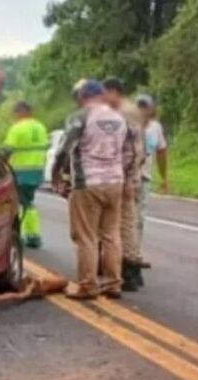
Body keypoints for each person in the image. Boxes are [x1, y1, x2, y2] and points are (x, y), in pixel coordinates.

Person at [55, 80, 129, 300]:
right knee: (112, 235)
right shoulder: (118, 118)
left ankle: (88, 285)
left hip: (88, 183)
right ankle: (114, 283)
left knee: (86, 236)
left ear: (82, 97)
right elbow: (125, 151)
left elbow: (64, 149)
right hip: (115, 181)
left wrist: (56, 174)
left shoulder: (80, 117)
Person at [103, 77, 146, 292]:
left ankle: (130, 271)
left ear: (114, 92)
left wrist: (127, 179)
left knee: (124, 225)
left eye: (105, 93)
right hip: (126, 175)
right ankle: (131, 270)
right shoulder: (126, 111)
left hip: (125, 177)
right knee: (125, 223)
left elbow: (133, 149)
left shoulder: (124, 112)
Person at [2, 101, 50, 248]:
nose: (14, 116)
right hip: (37, 172)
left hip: (20, 173)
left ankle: (25, 235)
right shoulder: (41, 127)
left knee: (21, 204)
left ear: (21, 112)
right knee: (28, 202)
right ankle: (32, 235)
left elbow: (7, 150)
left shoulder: (17, 128)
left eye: (15, 113)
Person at [136, 94, 169, 267]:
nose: (142, 110)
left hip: (144, 177)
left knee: (139, 218)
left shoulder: (155, 128)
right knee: (122, 218)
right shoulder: (126, 125)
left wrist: (164, 178)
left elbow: (162, 152)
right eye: (139, 106)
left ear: (151, 109)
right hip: (124, 178)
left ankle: (135, 252)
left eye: (145, 106)